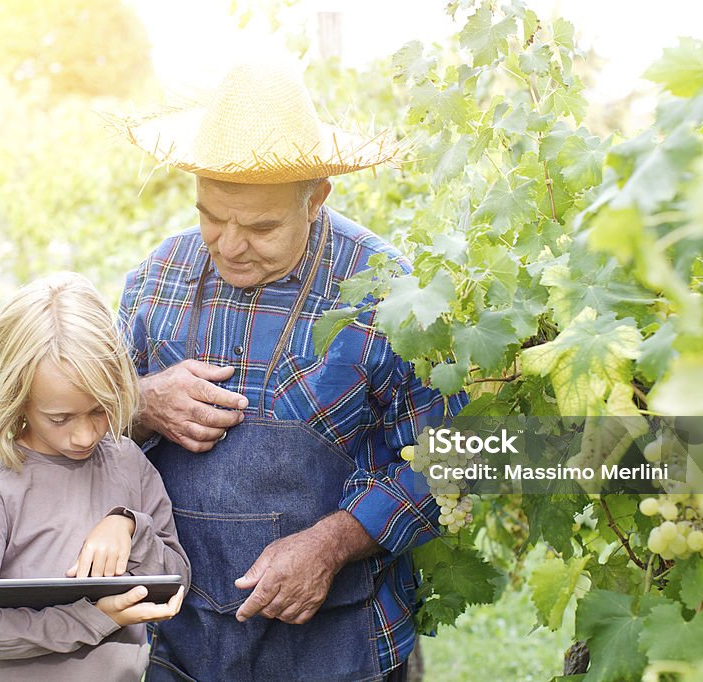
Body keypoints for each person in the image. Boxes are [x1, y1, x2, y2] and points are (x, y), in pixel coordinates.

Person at [116, 60, 465, 681]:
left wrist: (331, 545)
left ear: (317, 197)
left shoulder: (389, 293)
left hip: (342, 645)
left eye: (259, 226)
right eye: (211, 216)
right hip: (177, 644)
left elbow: (453, 461)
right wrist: (136, 401)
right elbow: (80, 431)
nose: (227, 244)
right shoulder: (157, 279)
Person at [0, 272, 190, 681]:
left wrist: (129, 527)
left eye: (99, 410)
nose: (85, 434)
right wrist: (88, 619)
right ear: (17, 400)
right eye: (60, 418)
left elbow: (178, 579)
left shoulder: (129, 463)